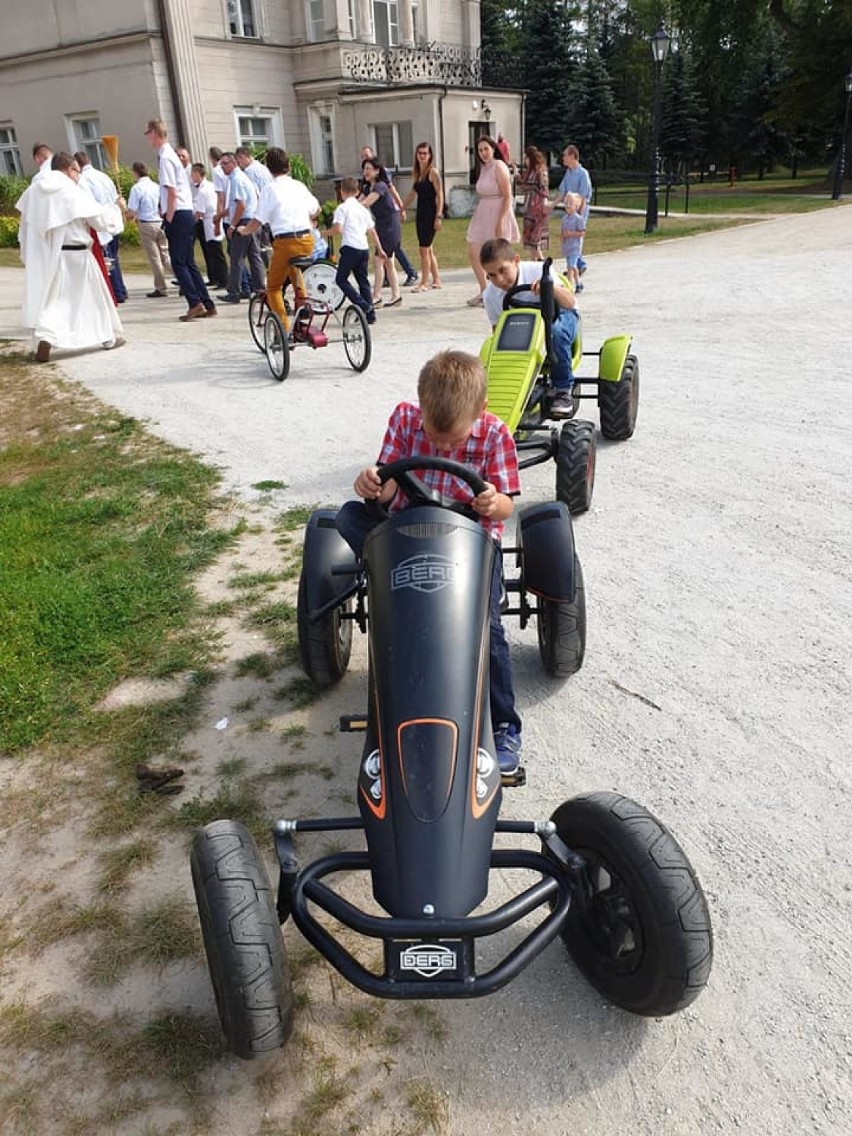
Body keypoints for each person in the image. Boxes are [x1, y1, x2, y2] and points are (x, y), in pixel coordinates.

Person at [336, 349, 523, 772]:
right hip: (406, 534)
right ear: (420, 407)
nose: (440, 447)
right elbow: (384, 488)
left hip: (471, 544)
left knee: (487, 628)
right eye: (433, 436)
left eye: (451, 442)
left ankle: (506, 727)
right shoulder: (404, 419)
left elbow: (508, 507)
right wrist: (371, 482)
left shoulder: (495, 435)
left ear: (481, 411)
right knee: (345, 515)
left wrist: (493, 502)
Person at [15, 151, 124, 363]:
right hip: (78, 253)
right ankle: (108, 336)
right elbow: (99, 219)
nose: (78, 177)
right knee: (95, 297)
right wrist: (116, 208)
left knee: (54, 300)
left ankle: (46, 336)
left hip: (50, 256)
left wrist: (29, 255)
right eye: (77, 172)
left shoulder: (33, 191)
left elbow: (25, 230)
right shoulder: (70, 191)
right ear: (70, 169)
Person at [479, 236, 578, 416]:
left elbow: (570, 302)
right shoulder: (490, 296)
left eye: (503, 270)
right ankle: (504, 396)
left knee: (555, 333)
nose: (499, 279)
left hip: (560, 315)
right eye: (491, 275)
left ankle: (563, 389)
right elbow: (498, 331)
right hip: (522, 327)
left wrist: (550, 289)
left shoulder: (538, 270)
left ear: (516, 260)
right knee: (492, 348)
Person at [235, 147, 318, 329]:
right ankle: (303, 303)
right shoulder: (299, 185)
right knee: (294, 268)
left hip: (285, 243)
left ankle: (284, 328)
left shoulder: (269, 189)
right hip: (307, 241)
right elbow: (316, 209)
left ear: (268, 168)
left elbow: (258, 220)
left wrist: (243, 230)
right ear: (288, 166)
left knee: (273, 288)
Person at [144, 119, 216, 321]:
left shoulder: (166, 157)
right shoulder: (169, 156)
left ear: (154, 133)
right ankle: (207, 303)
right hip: (184, 211)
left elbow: (171, 192)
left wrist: (168, 216)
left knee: (178, 262)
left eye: (148, 133)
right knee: (188, 262)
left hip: (178, 213)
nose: (147, 138)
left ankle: (195, 303)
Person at [466, 135, 520, 306]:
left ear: (493, 149)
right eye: (480, 150)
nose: (483, 153)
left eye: (486, 149)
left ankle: (508, 289)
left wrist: (501, 220)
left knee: (499, 254)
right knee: (473, 248)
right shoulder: (483, 168)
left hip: (498, 210)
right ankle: (484, 290)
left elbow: (507, 195)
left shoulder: (499, 166)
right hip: (483, 212)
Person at [325, 176, 382, 324]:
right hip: (363, 248)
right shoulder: (362, 209)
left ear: (341, 192)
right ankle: (371, 315)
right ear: (357, 192)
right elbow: (372, 230)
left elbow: (337, 229)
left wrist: (322, 233)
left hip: (350, 247)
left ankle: (362, 304)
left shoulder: (342, 208)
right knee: (363, 281)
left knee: (341, 279)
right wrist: (379, 247)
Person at [359, 145, 418, 286]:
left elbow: (392, 191)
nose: (365, 159)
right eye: (363, 157)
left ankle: (409, 273)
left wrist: (402, 208)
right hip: (380, 220)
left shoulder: (381, 179)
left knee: (386, 253)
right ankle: (393, 287)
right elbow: (360, 199)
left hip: (390, 218)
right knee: (389, 254)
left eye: (367, 156)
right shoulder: (367, 182)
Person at [75, 151, 128, 303]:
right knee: (114, 258)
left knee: (108, 259)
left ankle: (117, 291)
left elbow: (90, 204)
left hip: (102, 222)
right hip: (113, 220)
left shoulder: (84, 180)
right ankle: (121, 289)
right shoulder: (103, 176)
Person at [217, 150, 265, 304]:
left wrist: (232, 225)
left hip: (243, 221)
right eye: (221, 164)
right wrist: (222, 215)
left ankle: (234, 291)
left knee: (236, 257)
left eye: (224, 163)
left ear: (233, 163)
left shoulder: (237, 179)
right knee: (254, 256)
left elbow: (241, 205)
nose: (222, 167)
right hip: (252, 219)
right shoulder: (242, 178)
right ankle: (259, 289)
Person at [401, 142, 444, 291]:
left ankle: (424, 282)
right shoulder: (418, 173)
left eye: (425, 153)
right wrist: (401, 208)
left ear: (430, 155)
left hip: (430, 214)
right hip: (421, 213)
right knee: (428, 249)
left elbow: (440, 195)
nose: (422, 156)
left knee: (424, 249)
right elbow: (412, 194)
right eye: (419, 153)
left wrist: (439, 216)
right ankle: (437, 279)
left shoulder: (433, 172)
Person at [126, 160, 172, 297]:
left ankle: (161, 287)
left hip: (147, 223)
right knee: (166, 255)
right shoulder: (156, 186)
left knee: (155, 258)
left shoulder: (137, 188)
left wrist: (125, 213)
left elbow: (132, 211)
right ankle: (182, 279)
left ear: (135, 173)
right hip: (160, 221)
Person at [360, 157, 402, 308]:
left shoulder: (381, 186)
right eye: (364, 169)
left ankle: (376, 296)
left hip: (390, 225)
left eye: (369, 169)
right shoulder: (367, 187)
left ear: (377, 171)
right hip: (381, 225)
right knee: (388, 262)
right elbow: (359, 201)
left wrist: (351, 208)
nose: (366, 172)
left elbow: (365, 203)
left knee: (379, 260)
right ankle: (396, 295)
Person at [553, 144, 592, 276]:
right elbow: (562, 192)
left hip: (579, 211)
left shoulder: (583, 174)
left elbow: (583, 197)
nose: (563, 157)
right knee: (568, 237)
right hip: (570, 210)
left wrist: (579, 216)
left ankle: (575, 265)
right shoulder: (568, 173)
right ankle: (576, 265)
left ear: (572, 156)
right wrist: (552, 205)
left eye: (565, 155)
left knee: (576, 237)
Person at [190, 162, 229, 291]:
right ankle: (218, 278)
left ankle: (223, 279)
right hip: (214, 219)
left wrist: (191, 223)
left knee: (215, 253)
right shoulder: (211, 186)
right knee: (215, 252)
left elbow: (199, 211)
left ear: (197, 174)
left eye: (192, 174)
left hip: (209, 221)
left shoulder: (202, 190)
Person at [516, 145, 550, 261]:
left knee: (536, 233)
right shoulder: (529, 171)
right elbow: (522, 185)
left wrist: (545, 203)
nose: (525, 160)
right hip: (529, 206)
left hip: (538, 205)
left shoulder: (541, 170)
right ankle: (536, 259)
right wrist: (516, 173)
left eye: (526, 158)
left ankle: (538, 259)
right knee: (529, 233)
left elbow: (543, 188)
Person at [560, 193, 586, 293]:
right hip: (567, 247)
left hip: (575, 247)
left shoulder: (578, 219)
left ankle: (568, 286)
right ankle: (579, 283)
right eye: (566, 202)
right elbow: (562, 233)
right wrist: (562, 242)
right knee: (573, 266)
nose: (567, 205)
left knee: (570, 267)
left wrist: (571, 233)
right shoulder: (564, 219)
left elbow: (582, 233)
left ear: (576, 206)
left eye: (570, 203)